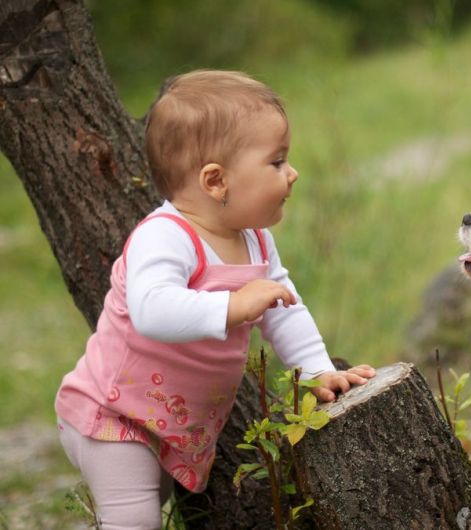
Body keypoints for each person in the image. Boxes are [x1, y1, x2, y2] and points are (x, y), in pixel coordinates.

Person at [54, 69, 376, 529]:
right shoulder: (165, 235)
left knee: (150, 504)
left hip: (167, 424)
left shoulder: (256, 240)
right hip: (115, 414)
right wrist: (232, 306)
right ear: (215, 181)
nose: (292, 173)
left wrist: (318, 370)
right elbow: (152, 309)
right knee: (135, 520)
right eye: (277, 162)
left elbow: (284, 307)